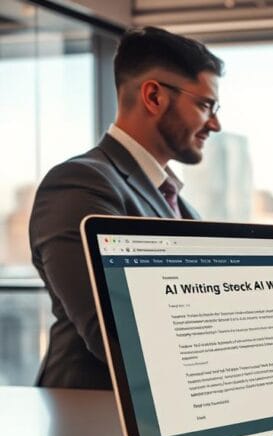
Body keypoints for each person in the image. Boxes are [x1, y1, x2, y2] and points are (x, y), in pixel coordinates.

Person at [29, 26, 223, 390]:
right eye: (204, 105)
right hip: (91, 419)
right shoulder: (78, 184)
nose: (215, 123)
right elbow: (116, 333)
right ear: (154, 96)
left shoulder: (183, 206)